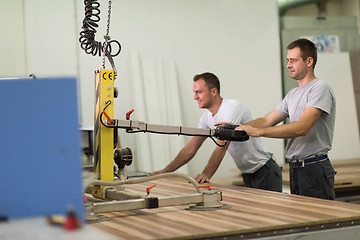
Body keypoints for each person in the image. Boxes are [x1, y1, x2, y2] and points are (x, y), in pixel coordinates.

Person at [235, 38, 336, 200]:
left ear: (309, 61)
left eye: (293, 60)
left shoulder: (320, 88)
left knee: (319, 222)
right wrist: (237, 127)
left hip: (314, 168)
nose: (288, 65)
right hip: (296, 169)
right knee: (301, 221)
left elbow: (302, 127)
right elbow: (268, 120)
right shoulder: (293, 94)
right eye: (288, 60)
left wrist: (258, 132)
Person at [150, 72, 282, 192]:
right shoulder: (206, 117)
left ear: (213, 91)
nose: (195, 97)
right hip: (247, 173)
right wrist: (166, 171)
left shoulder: (232, 107)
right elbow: (191, 148)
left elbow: (222, 147)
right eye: (194, 92)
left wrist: (206, 174)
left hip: (265, 170)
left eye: (199, 92)